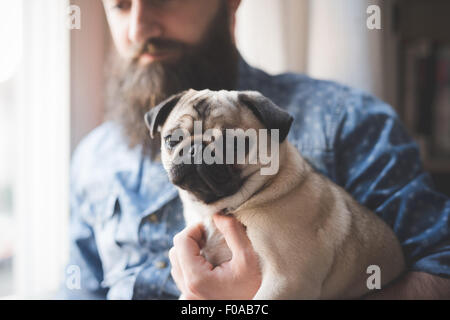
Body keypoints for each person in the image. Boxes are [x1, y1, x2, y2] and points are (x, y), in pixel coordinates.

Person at [64, 0, 450, 300]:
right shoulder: (94, 156)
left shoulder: (349, 120)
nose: (139, 26)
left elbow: (441, 271)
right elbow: (79, 286)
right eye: (120, 5)